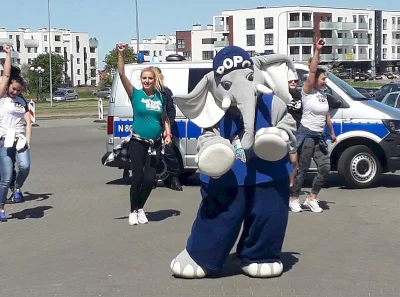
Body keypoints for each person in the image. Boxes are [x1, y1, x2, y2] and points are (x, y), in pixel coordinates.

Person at [117, 43, 172, 226]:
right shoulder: (135, 94)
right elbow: (122, 74)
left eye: (150, 78)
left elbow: (164, 118)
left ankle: (140, 208)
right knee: (138, 177)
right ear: (141, 80)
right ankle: (133, 211)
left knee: (150, 180)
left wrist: (168, 133)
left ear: (155, 79)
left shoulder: (160, 97)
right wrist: (121, 54)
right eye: (144, 78)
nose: (147, 81)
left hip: (155, 144)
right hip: (138, 143)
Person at [289, 38, 336, 213]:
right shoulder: (307, 91)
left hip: (319, 135)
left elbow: (327, 115)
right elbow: (313, 69)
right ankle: (293, 198)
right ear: (315, 79)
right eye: (323, 78)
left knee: (324, 168)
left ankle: (312, 198)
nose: (325, 81)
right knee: (303, 169)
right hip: (306, 134)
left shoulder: (322, 95)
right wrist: (317, 51)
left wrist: (331, 132)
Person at [0, 45, 32, 222]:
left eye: (18, 90)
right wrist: (8, 54)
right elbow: (5, 75)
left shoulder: (21, 101)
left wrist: (28, 140)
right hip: (4, 139)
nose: (15, 92)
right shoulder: (2, 97)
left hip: (20, 139)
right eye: (13, 89)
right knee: (5, 178)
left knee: (25, 167)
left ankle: (17, 187)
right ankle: (1, 207)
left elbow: (28, 122)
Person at [153, 67, 183, 191]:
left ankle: (174, 179)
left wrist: (167, 129)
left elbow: (170, 112)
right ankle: (151, 180)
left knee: (170, 155)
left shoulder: (166, 92)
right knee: (152, 155)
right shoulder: (144, 93)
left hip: (165, 128)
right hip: (151, 128)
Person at [286, 78, 302, 189]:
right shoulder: (282, 94)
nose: (293, 83)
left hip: (296, 130)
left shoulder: (301, 95)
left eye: (295, 81)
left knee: (294, 161)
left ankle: (291, 184)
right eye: (290, 80)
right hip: (284, 130)